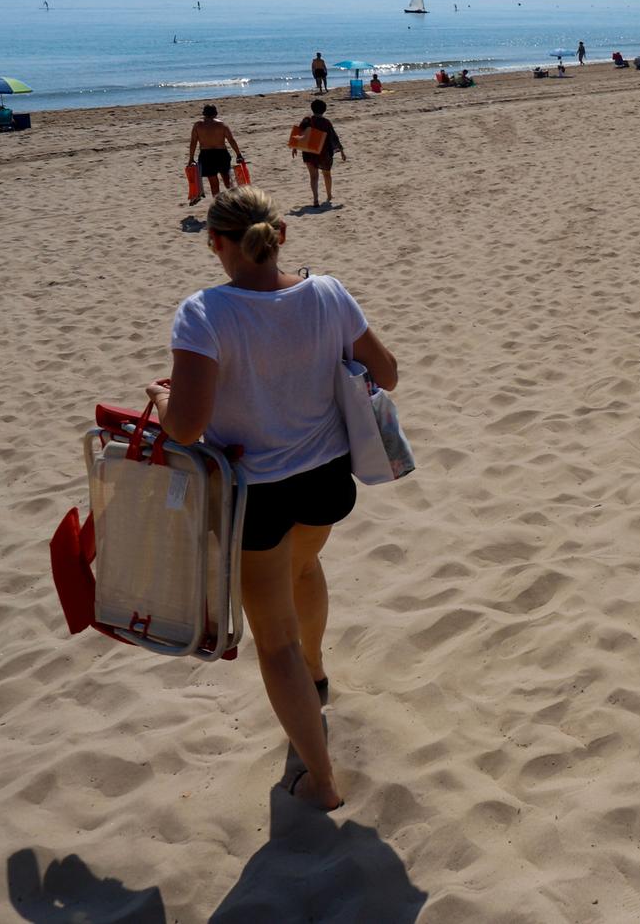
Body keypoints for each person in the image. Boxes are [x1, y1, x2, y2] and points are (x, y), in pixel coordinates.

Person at [145, 185, 399, 812]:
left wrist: (159, 400)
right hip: (326, 478)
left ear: (216, 244)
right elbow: (387, 373)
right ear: (278, 234)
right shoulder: (328, 293)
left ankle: (321, 779)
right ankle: (316, 675)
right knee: (305, 567)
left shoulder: (204, 313)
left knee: (272, 638)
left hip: (254, 492)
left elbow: (184, 426)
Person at [294, 99, 346, 207]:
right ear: (324, 110)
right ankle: (329, 195)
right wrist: (341, 151)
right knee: (327, 175)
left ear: (312, 109)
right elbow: (334, 138)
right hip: (324, 153)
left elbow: (299, 134)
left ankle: (315, 200)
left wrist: (294, 147)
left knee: (313, 177)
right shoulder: (326, 122)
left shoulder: (307, 120)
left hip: (309, 152)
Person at [188, 105, 246, 200]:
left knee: (213, 183)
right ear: (216, 113)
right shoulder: (222, 125)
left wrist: (191, 158)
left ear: (204, 114)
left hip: (206, 155)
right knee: (228, 181)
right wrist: (238, 154)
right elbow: (231, 140)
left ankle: (218, 203)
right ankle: (233, 201)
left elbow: (193, 142)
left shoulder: (198, 125)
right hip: (221, 154)